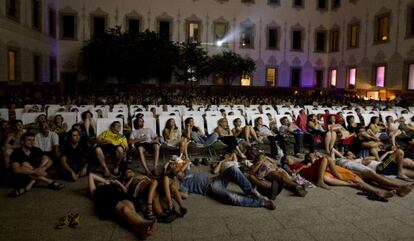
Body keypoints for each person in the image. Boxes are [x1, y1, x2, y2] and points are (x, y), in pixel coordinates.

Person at [172, 162, 276, 210]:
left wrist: (171, 165)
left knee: (233, 168)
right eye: (175, 173)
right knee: (232, 197)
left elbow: (186, 162)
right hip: (210, 188)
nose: (178, 173)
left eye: (178, 171)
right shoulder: (182, 184)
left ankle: (252, 192)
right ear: (175, 177)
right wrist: (173, 192)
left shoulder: (187, 173)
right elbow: (185, 195)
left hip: (216, 179)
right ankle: (261, 202)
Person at [88, 173, 154, 239]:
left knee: (130, 206)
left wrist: (118, 184)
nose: (100, 182)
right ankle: (142, 224)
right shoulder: (95, 190)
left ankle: (140, 229)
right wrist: (105, 181)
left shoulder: (112, 185)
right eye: (98, 182)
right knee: (125, 209)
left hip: (121, 197)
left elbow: (125, 191)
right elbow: (91, 175)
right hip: (108, 201)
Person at [10, 133, 64, 197]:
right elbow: (16, 169)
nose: (31, 142)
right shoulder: (16, 153)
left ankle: (27, 187)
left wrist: (41, 169)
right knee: (25, 165)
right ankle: (49, 181)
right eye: (29, 140)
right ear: (22, 141)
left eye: (33, 140)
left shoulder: (36, 149)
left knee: (45, 158)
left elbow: (49, 161)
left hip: (35, 171)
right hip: (24, 175)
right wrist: (35, 171)